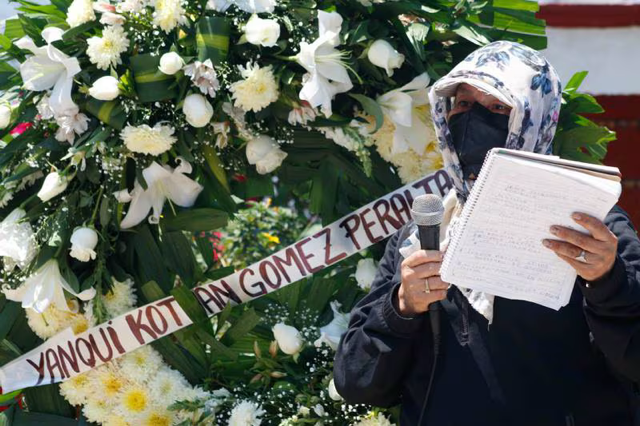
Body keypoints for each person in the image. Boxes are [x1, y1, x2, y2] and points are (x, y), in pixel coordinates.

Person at [333, 41, 640, 426]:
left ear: (534, 118)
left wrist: (607, 281)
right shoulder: (423, 234)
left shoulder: (592, 230)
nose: (473, 120)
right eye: (462, 105)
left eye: (497, 107)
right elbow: (355, 382)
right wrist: (401, 307)